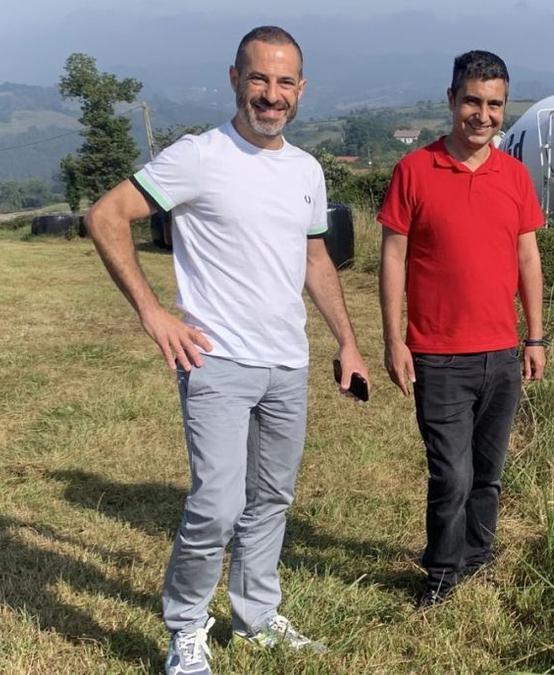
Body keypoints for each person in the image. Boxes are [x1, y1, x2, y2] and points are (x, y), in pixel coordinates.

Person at [84, 26, 368, 675]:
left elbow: (315, 258)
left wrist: (348, 342)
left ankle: (256, 616)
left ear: (301, 89)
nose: (272, 94)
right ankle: (185, 629)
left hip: (288, 363)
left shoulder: (306, 170)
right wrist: (153, 312)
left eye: (284, 81)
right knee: (216, 504)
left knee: (271, 498)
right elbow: (106, 215)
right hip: (216, 363)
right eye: (259, 79)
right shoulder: (198, 156)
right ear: (235, 79)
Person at [377, 50, 546, 609]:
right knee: (451, 474)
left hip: (501, 353)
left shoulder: (515, 176)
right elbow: (393, 257)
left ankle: (477, 555)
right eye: (472, 100)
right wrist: (394, 338)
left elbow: (528, 260)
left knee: (489, 473)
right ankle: (442, 572)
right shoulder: (415, 170)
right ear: (451, 100)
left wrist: (535, 336)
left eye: (494, 104)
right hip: (437, 354)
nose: (483, 114)